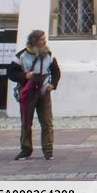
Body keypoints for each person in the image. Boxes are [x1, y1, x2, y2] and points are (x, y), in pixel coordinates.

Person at [7, 30, 61, 160]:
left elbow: (56, 72)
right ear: (34, 41)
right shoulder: (21, 56)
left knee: (47, 122)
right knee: (26, 122)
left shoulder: (48, 55)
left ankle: (48, 150)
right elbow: (11, 74)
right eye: (42, 39)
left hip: (43, 92)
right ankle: (26, 150)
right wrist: (25, 75)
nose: (45, 41)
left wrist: (52, 85)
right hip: (27, 92)